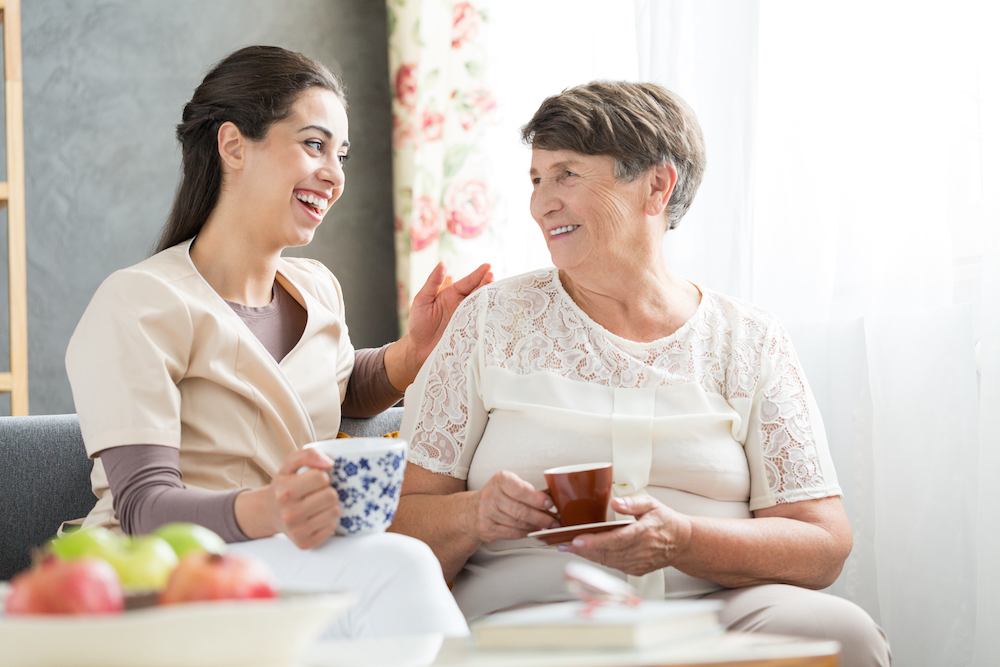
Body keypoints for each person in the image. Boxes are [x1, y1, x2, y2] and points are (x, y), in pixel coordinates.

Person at [390, 81, 891, 665]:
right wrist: (473, 515)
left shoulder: (750, 338)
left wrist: (681, 540)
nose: (541, 202)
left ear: (657, 185)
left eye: (567, 175)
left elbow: (823, 544)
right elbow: (400, 524)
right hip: (533, 609)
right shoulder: (491, 318)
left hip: (711, 608)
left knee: (843, 634)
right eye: (536, 178)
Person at [64, 45, 488, 639]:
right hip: (175, 571)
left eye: (341, 154)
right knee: (400, 564)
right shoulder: (138, 303)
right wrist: (268, 509)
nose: (336, 175)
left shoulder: (316, 288)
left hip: (293, 557)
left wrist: (410, 354)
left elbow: (331, 391)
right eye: (314, 145)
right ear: (234, 145)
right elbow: (142, 508)